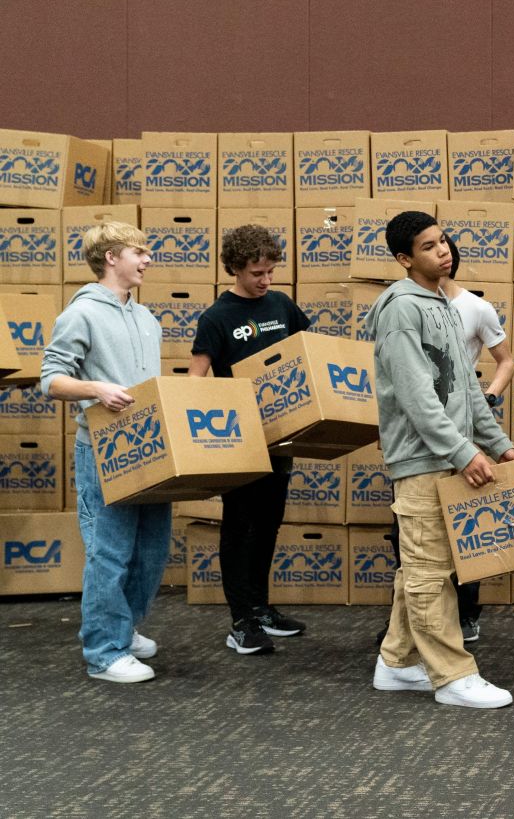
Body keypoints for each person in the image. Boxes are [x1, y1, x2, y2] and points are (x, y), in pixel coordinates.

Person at [366, 211, 514, 709]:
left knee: (423, 567)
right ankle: (452, 675)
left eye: (444, 241)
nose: (443, 251)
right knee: (431, 571)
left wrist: (498, 444)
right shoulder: (399, 309)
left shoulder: (445, 305)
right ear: (404, 259)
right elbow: (416, 395)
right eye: (429, 246)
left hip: (447, 455)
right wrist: (461, 450)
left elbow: (465, 388)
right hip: (420, 459)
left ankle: (395, 662)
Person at [39, 221, 166, 683]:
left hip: (150, 449)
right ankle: (104, 652)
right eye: (139, 251)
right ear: (111, 258)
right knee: (109, 552)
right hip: (103, 449)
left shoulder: (146, 318)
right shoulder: (82, 314)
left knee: (151, 551)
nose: (147, 259)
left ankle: (123, 626)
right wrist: (96, 388)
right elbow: (50, 379)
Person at [187, 224, 312, 656]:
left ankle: (260, 607)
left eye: (271, 271)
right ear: (235, 268)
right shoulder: (217, 317)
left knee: (268, 524)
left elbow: (307, 353)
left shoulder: (282, 304)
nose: (265, 280)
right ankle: (240, 621)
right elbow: (196, 378)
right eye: (257, 272)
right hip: (237, 437)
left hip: (280, 438)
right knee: (239, 526)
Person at [439, 233, 514, 643]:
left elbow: (506, 361)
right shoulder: (409, 306)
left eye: (444, 252)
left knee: (466, 525)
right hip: (423, 429)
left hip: (463, 425)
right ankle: (416, 618)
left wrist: (488, 397)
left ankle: (467, 613)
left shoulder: (475, 307)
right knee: (410, 530)